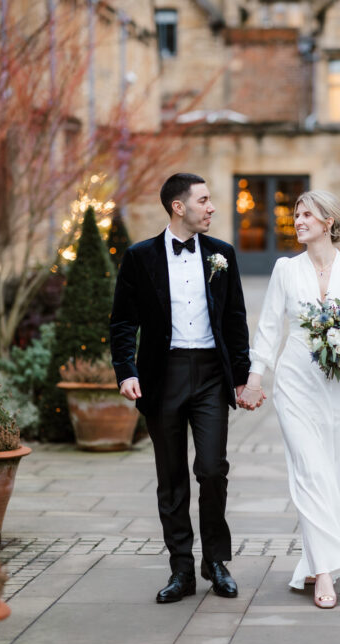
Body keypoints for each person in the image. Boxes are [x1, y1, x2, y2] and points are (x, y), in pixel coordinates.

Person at [109, 173, 262, 604]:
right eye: (204, 200)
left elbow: (235, 320)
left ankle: (216, 562)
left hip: (212, 374)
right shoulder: (140, 257)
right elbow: (123, 322)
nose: (212, 208)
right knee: (171, 476)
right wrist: (127, 371)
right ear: (179, 207)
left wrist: (243, 377)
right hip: (164, 376)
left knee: (212, 470)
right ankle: (181, 569)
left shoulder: (222, 255)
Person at [238, 190, 340, 609]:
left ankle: (321, 558)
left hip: (337, 383)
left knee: (338, 474)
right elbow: (268, 327)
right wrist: (254, 377)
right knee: (310, 472)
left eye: (306, 214)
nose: (298, 221)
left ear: (329, 221)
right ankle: (326, 576)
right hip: (294, 380)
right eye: (295, 214)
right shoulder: (285, 269)